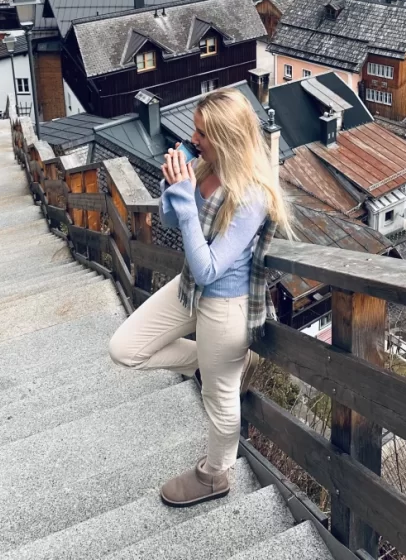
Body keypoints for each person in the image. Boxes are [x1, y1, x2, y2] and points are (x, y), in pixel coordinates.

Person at [108, 88, 291, 508]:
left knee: (218, 397)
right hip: (189, 288)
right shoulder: (205, 167)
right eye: (195, 128)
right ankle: (213, 363)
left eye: (202, 132)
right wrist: (174, 184)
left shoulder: (254, 195)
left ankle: (215, 475)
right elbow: (172, 219)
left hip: (225, 306)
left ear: (226, 138)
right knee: (123, 349)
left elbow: (212, 266)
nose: (193, 138)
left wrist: (187, 202)